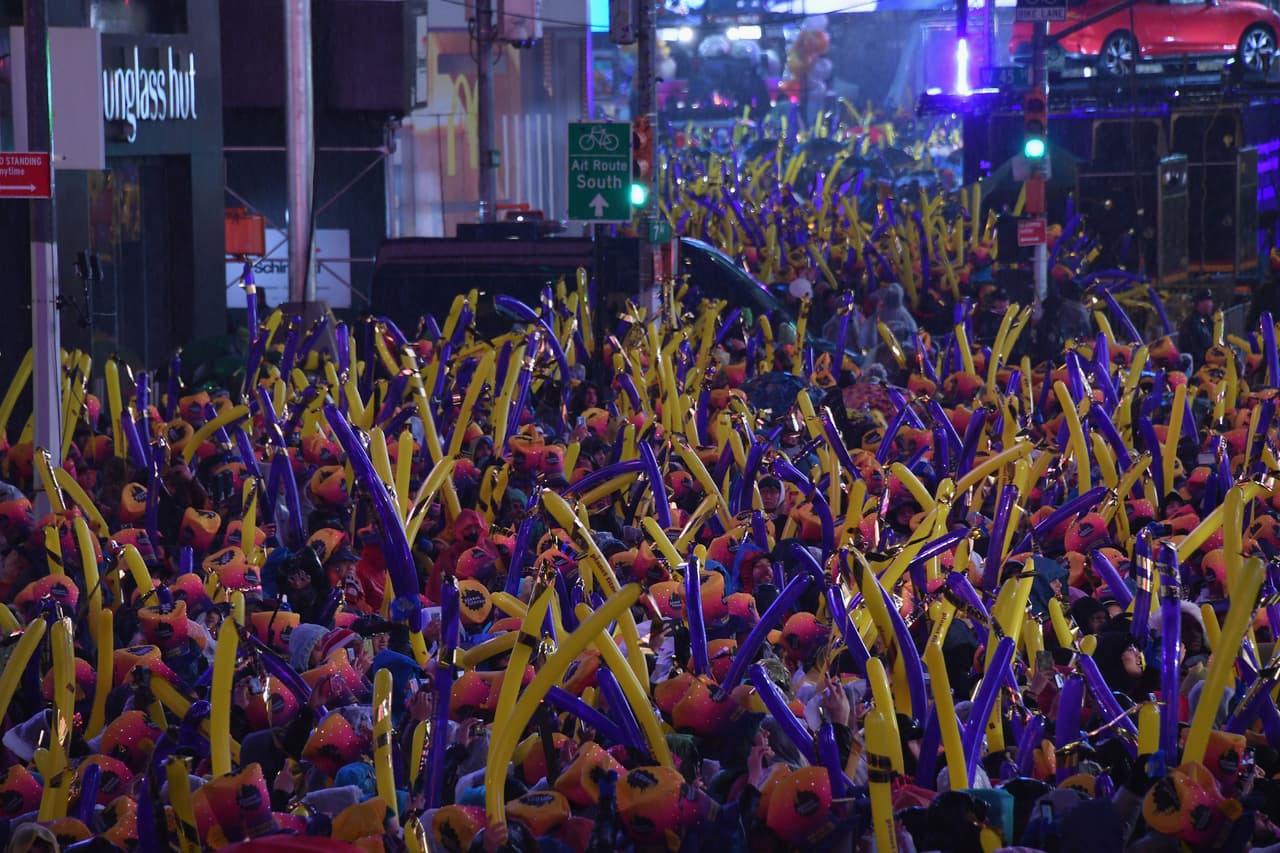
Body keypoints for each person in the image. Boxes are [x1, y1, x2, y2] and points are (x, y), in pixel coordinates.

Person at [1179, 287, 1216, 367]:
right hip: (1200, 367)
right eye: (1209, 301)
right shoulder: (1191, 323)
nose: (1211, 304)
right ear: (1200, 303)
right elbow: (1191, 349)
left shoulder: (1208, 320)